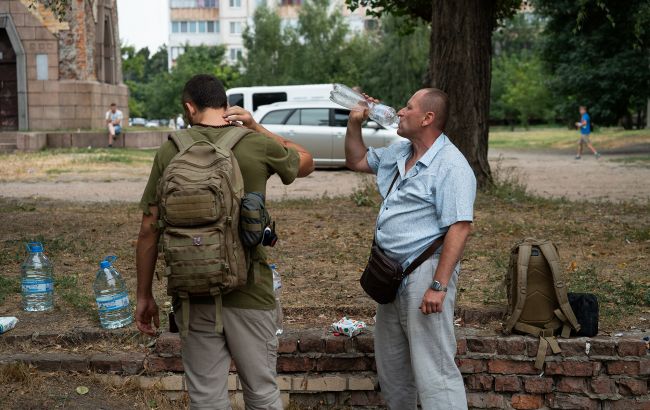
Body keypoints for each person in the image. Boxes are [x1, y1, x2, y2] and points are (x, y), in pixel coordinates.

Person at [135, 74, 314, 409]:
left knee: (206, 397)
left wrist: (144, 295)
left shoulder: (170, 149)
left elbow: (148, 229)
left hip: (192, 291)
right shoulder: (254, 143)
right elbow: (306, 161)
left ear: (190, 107)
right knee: (261, 392)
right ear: (225, 103)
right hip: (250, 289)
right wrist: (257, 128)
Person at [345, 88, 475, 410]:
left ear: (427, 118)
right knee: (394, 369)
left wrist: (438, 285)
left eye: (409, 107)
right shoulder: (400, 152)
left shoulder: (450, 165)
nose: (400, 112)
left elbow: (460, 227)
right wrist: (354, 122)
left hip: (425, 274)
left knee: (435, 371)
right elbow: (357, 160)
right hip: (390, 275)